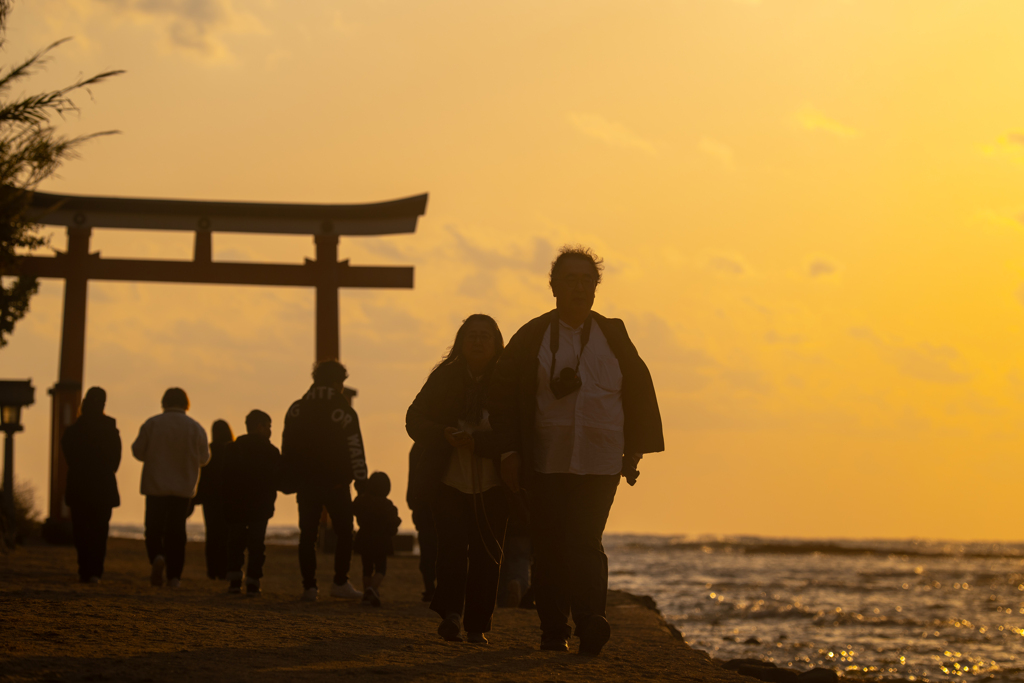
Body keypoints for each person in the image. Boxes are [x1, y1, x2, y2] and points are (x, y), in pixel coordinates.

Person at [488, 245, 664, 656]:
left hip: (600, 459)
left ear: (597, 288)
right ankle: (553, 628)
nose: (579, 287)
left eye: (587, 280)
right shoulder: (532, 335)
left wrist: (634, 451)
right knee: (548, 545)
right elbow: (501, 396)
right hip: (545, 458)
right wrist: (509, 452)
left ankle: (589, 622)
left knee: (586, 541)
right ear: (553, 286)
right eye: (570, 279)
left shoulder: (613, 334)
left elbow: (638, 392)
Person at [407, 314, 509, 644]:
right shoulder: (444, 378)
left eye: (485, 336)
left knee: (487, 556)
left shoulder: (508, 380)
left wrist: (480, 443)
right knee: (450, 551)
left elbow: (520, 432)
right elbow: (414, 419)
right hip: (448, 479)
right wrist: (443, 434)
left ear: (496, 344)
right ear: (461, 343)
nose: (478, 342)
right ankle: (450, 614)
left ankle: (477, 626)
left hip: (495, 482)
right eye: (471, 336)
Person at [282, 360, 367, 601]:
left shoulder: (296, 409)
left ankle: (309, 587)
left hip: (306, 485)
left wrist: (289, 479)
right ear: (336, 382)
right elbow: (355, 447)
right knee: (344, 532)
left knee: (307, 535)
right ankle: (340, 582)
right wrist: (361, 480)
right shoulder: (343, 411)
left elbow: (287, 448)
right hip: (336, 484)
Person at [131, 387, 211, 588]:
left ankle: (157, 556)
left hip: (155, 486)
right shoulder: (195, 427)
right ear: (186, 403)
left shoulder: (153, 424)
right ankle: (174, 576)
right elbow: (205, 458)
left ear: (164, 402)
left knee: (153, 528)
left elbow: (138, 451)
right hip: (183, 488)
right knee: (177, 531)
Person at [62, 387, 121, 584]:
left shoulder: (72, 431)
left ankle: (84, 569)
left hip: (79, 486)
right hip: (103, 486)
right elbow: (116, 461)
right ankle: (95, 571)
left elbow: (68, 457)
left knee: (81, 530)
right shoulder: (111, 428)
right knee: (99, 531)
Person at [222, 410, 282, 597]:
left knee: (235, 543)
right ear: (259, 427)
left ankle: (234, 581)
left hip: (236, 504)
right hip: (260, 506)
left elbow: (224, 478)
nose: (270, 431)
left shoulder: (233, 449)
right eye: (268, 426)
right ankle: (253, 582)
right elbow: (278, 479)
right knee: (257, 545)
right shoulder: (271, 452)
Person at [352, 471, 401, 607]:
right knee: (381, 568)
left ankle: (367, 594)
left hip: (364, 538)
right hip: (381, 541)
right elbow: (394, 523)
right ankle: (372, 590)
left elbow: (353, 508)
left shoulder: (362, 501)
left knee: (366, 568)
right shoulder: (388, 506)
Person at [194, 419, 234, 580]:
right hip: (228, 498)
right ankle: (225, 569)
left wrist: (197, 497)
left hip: (210, 500)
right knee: (227, 535)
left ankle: (212, 570)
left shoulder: (210, 450)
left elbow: (202, 476)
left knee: (211, 535)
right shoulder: (233, 449)